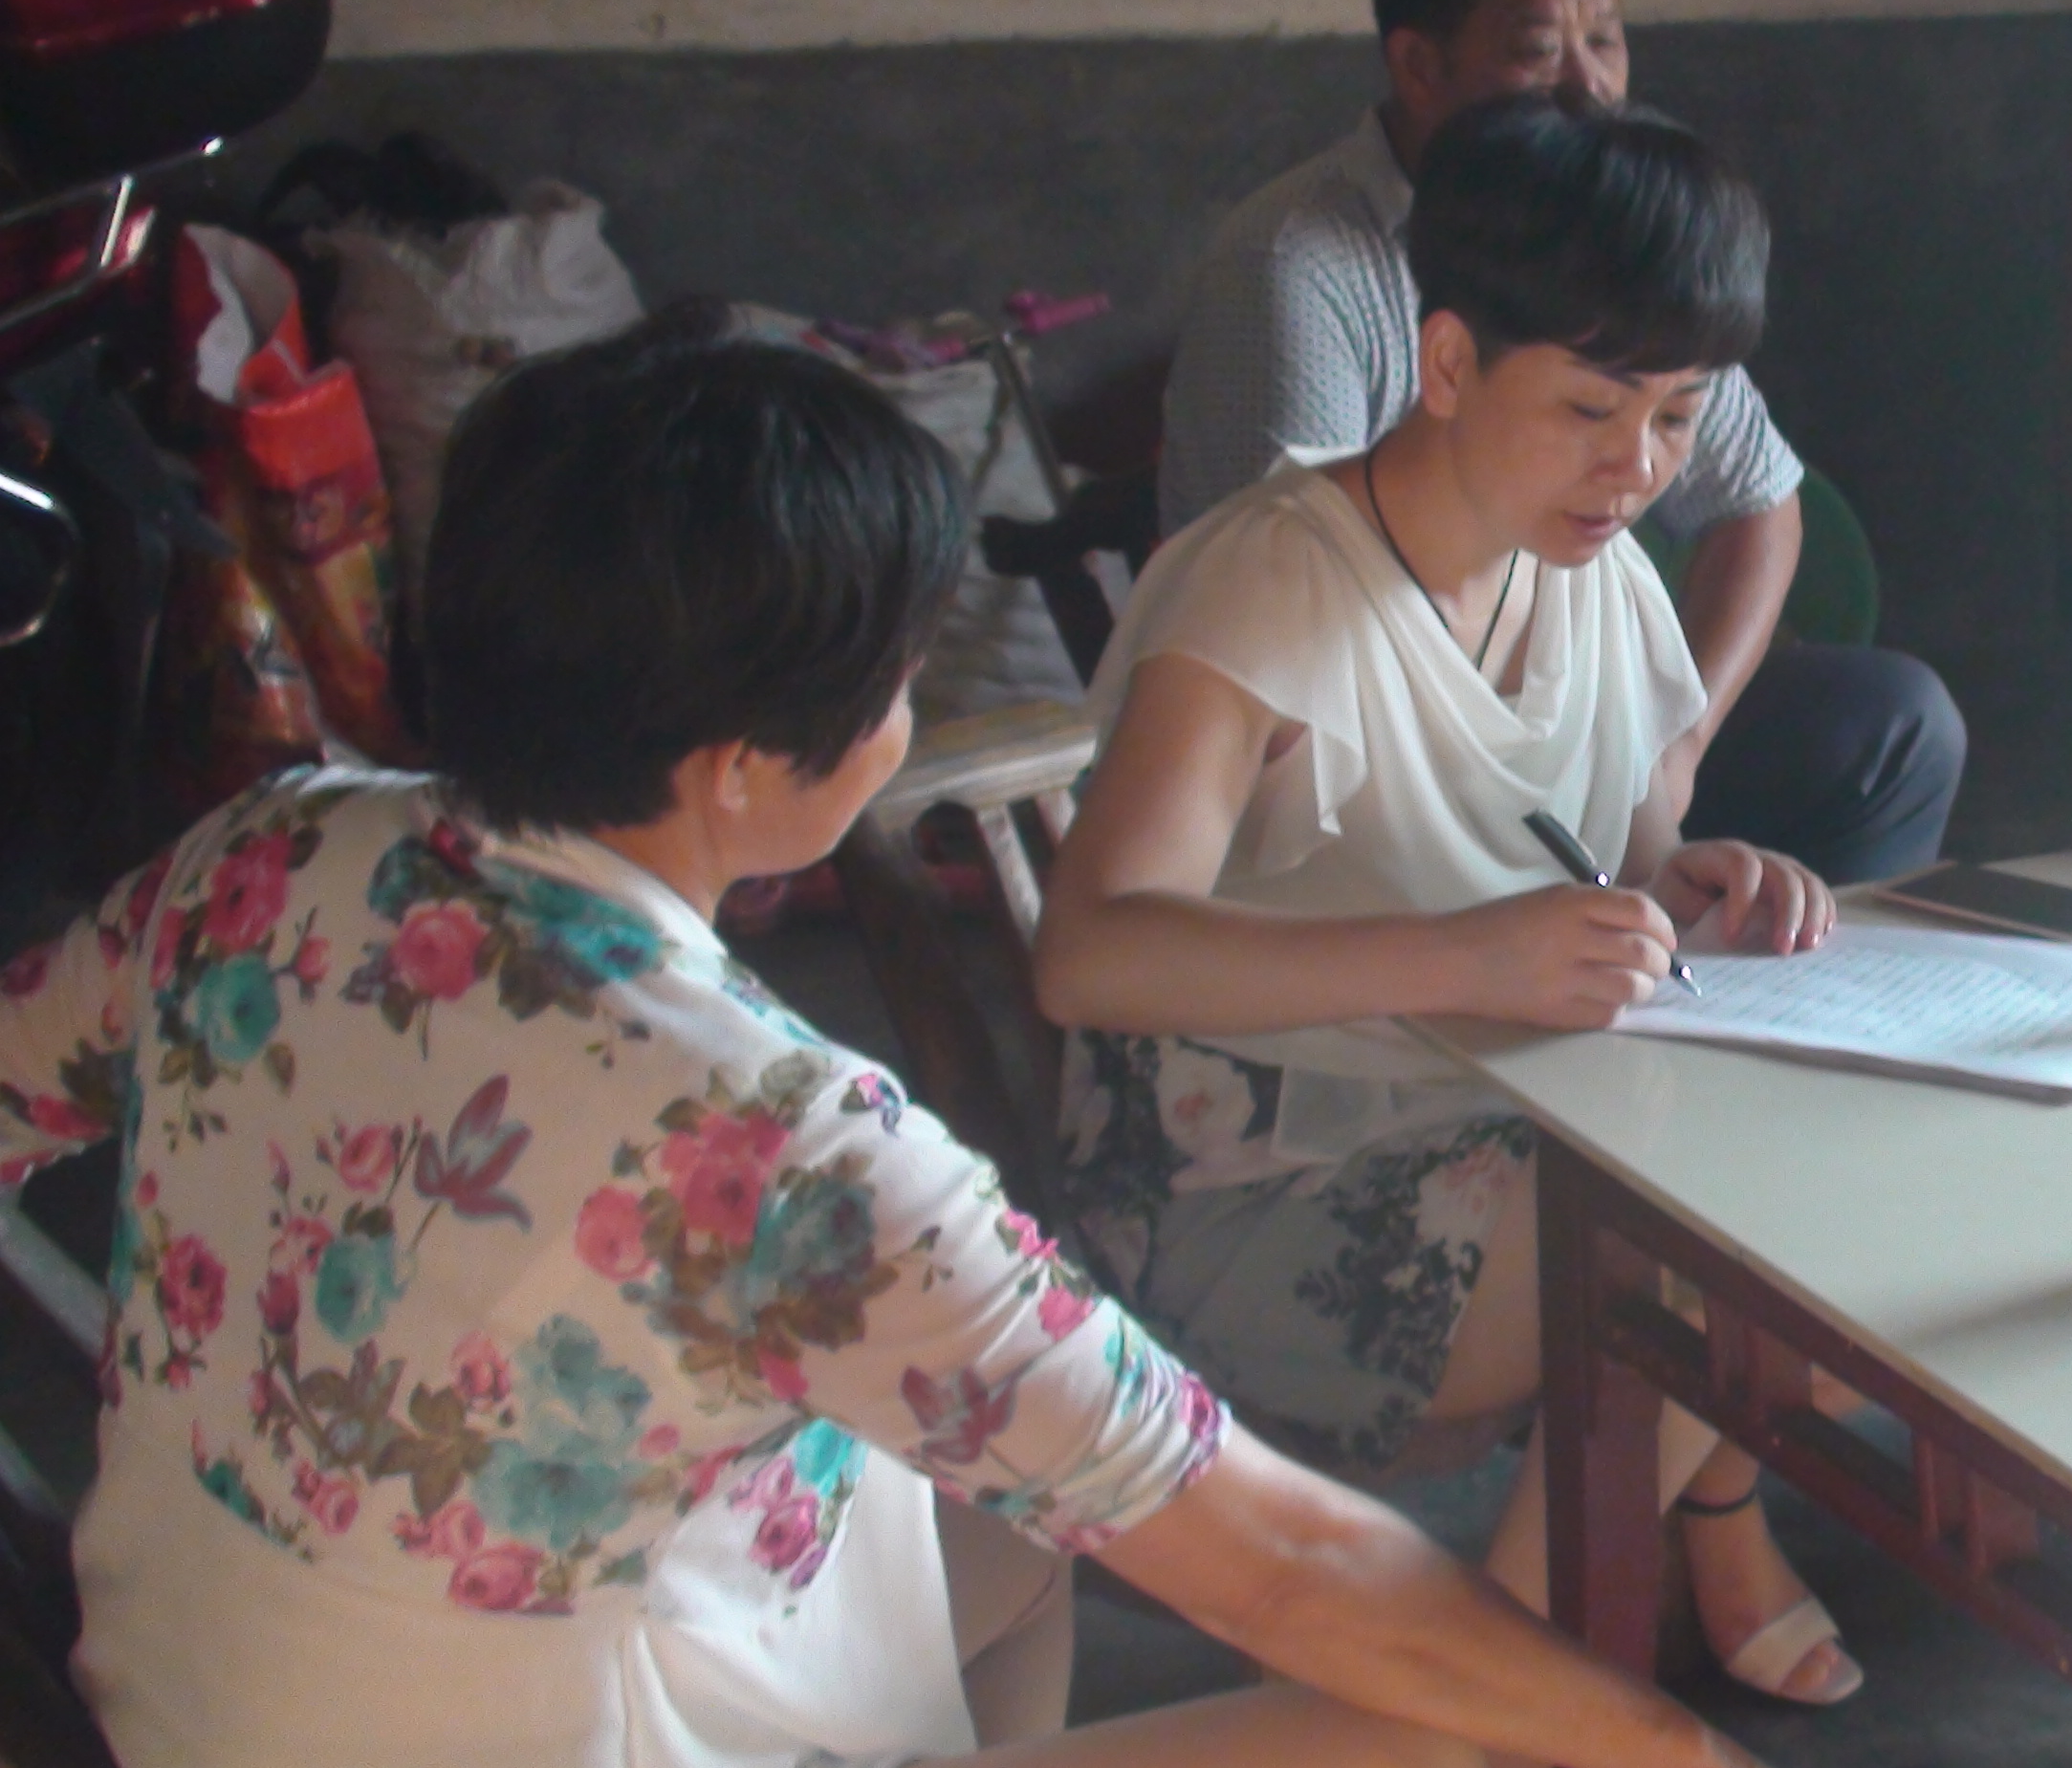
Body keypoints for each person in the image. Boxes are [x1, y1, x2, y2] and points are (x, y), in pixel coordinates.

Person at [0, 309, 1770, 1768]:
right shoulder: (778, 1142)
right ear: (743, 769)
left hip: (185, 1690)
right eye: (896, 679)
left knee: (991, 1539)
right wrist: (1669, 1744)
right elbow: (1285, 1560)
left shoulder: (274, 849)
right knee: (1459, 1727)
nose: (909, 713)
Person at [1042, 97, 1861, 1707]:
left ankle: (1457, 1694)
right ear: (1448, 361)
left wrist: (1689, 889)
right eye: (1592, 408)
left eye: (1680, 417)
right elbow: (1091, 950)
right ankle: (1481, 1694)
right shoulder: (1271, 582)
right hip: (1246, 1184)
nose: (1638, 467)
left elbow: (1614, 857)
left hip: (1494, 1120)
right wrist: (1470, 957)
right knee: (1718, 1271)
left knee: (1815, 1219)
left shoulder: (1599, 576)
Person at [1155, 0, 1962, 886]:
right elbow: (1312, 630)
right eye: (1539, 49)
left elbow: (1760, 500)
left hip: (1555, 746)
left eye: (1607, 40)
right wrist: (1501, 917)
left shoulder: (1597, 561)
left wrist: (1669, 769)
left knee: (1894, 724)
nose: (1589, 89)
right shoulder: (1298, 281)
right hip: (1372, 766)